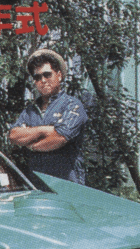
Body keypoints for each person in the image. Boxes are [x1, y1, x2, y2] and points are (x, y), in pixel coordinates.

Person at [8, 49, 89, 185]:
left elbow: (60, 137)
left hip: (67, 185)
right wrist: (44, 130)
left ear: (59, 75)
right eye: (37, 77)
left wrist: (31, 145)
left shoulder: (72, 105)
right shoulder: (30, 110)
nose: (43, 80)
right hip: (38, 184)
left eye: (47, 75)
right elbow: (14, 135)